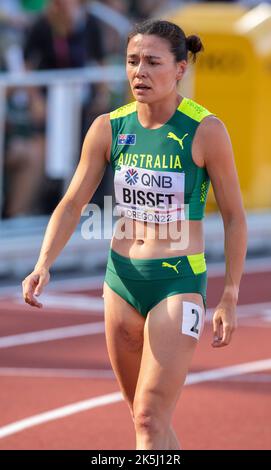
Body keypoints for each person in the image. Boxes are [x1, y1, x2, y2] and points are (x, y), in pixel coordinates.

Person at [22, 19, 247, 450]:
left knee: (148, 415)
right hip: (121, 280)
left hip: (177, 281)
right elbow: (72, 203)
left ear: (180, 69)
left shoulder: (205, 131)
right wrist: (43, 263)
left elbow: (235, 217)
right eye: (131, 61)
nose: (139, 72)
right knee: (147, 422)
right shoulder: (110, 127)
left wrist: (231, 293)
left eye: (152, 62)